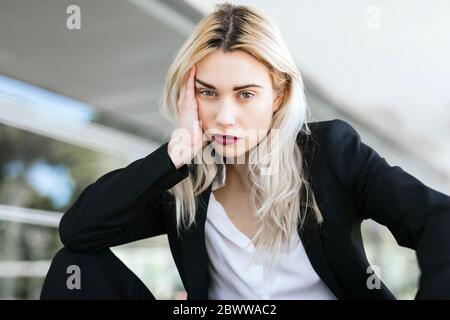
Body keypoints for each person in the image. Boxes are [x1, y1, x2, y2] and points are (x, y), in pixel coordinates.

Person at [41, 2, 450, 300]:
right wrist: (175, 153)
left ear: (279, 93)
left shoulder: (330, 153)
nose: (224, 116)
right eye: (208, 93)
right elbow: (79, 232)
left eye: (245, 94)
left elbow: (439, 219)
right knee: (75, 266)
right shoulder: (184, 179)